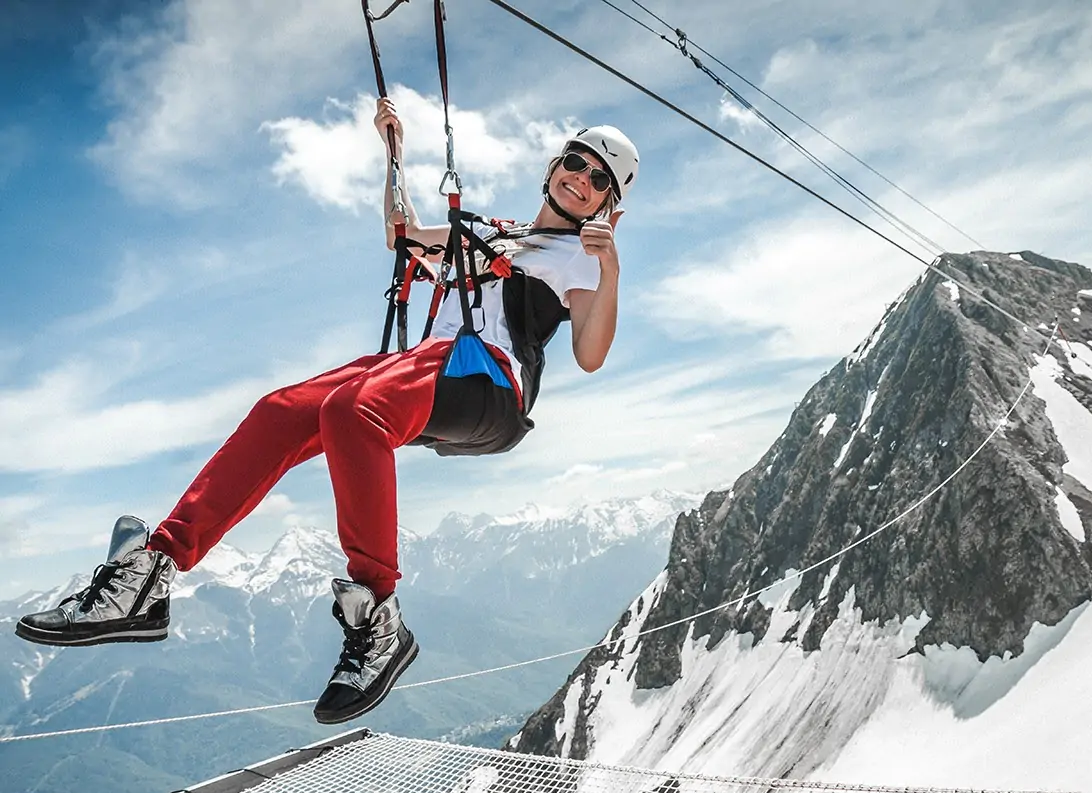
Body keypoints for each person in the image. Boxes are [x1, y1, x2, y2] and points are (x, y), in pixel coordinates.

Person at [14, 97, 639, 725]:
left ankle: (378, 614)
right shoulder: (488, 235)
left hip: (489, 383)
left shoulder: (579, 260)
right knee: (280, 412)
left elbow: (589, 353)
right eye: (577, 163)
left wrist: (609, 266)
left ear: (609, 203)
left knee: (351, 410)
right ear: (556, 164)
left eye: (598, 181)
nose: (581, 180)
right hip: (427, 366)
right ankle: (150, 576)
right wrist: (393, 152)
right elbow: (403, 235)